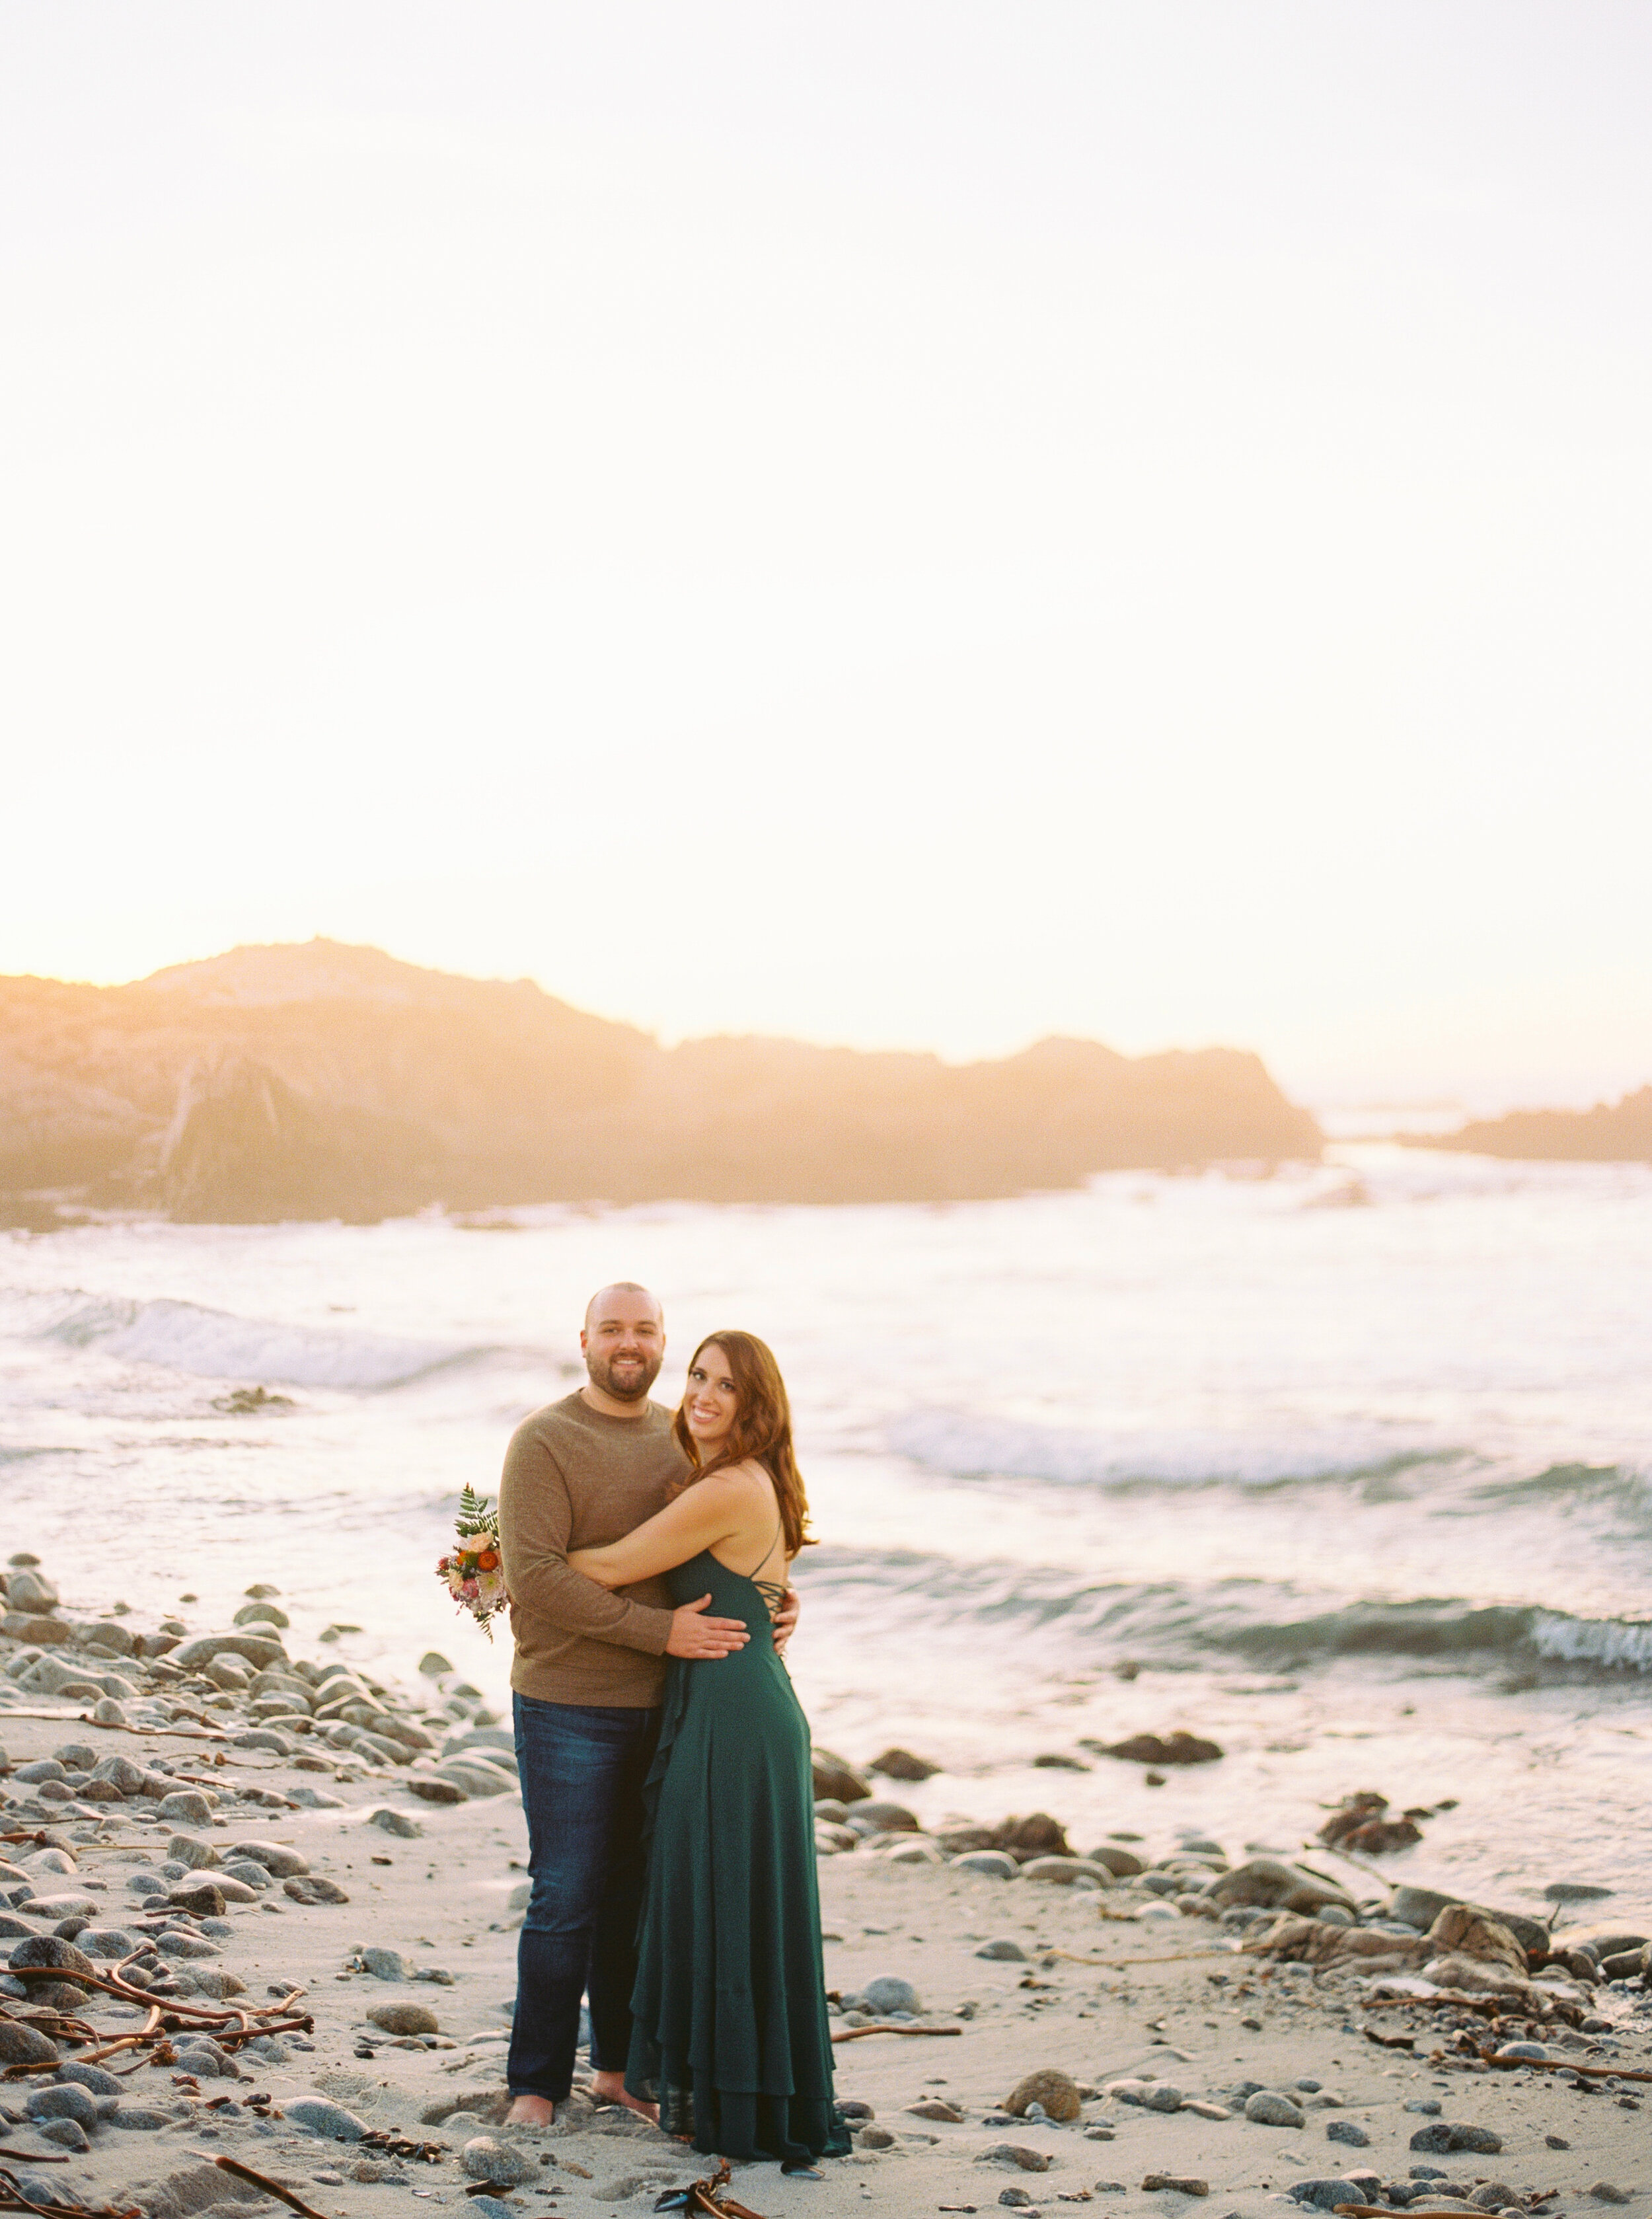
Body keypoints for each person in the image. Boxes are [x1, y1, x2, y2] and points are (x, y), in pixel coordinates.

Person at [496, 1283, 800, 2127]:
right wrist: (657, 1632)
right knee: (566, 1894)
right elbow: (537, 1578)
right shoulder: (545, 1439)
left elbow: (723, 1546)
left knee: (640, 1896)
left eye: (644, 1330)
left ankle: (620, 2071)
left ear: (661, 1339)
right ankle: (535, 2083)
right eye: (611, 1329)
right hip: (569, 1702)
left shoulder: (685, 1438)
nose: (628, 1343)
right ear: (584, 1338)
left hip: (673, 1708)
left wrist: (771, 1601)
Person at [568, 1330, 849, 2174]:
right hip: (746, 1703)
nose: (702, 1394)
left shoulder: (729, 1486)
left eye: (725, 1384)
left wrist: (520, 1556)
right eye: (695, 1376)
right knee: (734, 1901)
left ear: (755, 1404)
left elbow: (614, 1565)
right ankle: (742, 2097)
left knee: (722, 1900)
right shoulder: (745, 1482)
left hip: (733, 1718)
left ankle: (734, 2105)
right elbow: (757, 1597)